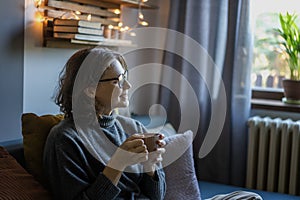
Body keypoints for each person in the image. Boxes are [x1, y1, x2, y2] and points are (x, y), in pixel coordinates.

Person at [43, 47, 166, 200]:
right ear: (90, 90)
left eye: (125, 77)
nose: (128, 86)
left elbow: (158, 197)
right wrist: (117, 163)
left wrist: (150, 167)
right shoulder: (65, 139)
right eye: (118, 80)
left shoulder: (134, 128)